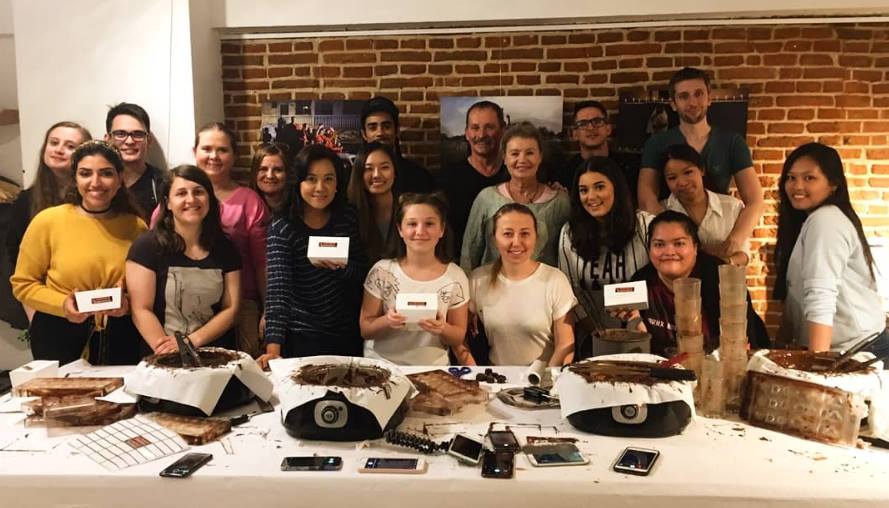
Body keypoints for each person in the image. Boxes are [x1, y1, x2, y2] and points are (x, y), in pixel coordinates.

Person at [11, 141, 146, 365]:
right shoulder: (48, 221)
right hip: (58, 333)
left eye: (106, 174)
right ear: (75, 178)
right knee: (61, 399)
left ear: (120, 179)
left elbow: (148, 288)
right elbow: (23, 284)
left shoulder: (137, 226)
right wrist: (62, 304)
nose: (95, 182)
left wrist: (127, 305)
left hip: (121, 336)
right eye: (85, 173)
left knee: (119, 399)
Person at [637, 67, 763, 263]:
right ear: (673, 103)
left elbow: (755, 200)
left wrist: (732, 243)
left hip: (719, 227)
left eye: (699, 94)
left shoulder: (732, 142)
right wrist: (681, 236)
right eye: (684, 96)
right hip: (675, 243)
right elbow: (646, 201)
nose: (693, 102)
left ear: (709, 97)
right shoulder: (657, 143)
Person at [774, 142, 888, 355]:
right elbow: (796, 296)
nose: (797, 186)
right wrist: (781, 345)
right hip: (850, 347)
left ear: (833, 184)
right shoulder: (812, 221)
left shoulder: (826, 220)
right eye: (791, 178)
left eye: (809, 178)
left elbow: (821, 296)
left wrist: (817, 367)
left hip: (857, 349)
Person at [259, 144, 367, 366]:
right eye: (311, 179)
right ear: (298, 182)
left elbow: (363, 273)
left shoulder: (346, 218)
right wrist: (273, 349)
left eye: (328, 178)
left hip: (346, 332)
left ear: (338, 184)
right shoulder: (282, 226)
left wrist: (342, 268)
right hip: (301, 334)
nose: (320, 187)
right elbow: (278, 291)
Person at [126, 166, 240, 355]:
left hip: (216, 357)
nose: (191, 199)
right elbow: (141, 309)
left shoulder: (225, 249)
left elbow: (231, 308)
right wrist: (167, 351)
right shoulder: (146, 247)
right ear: (168, 203)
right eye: (181, 193)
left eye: (198, 192)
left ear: (209, 199)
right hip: (162, 357)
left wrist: (190, 342)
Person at [631, 211, 769, 356]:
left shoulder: (721, 280)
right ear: (649, 249)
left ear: (695, 248)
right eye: (659, 244)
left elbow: (747, 344)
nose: (669, 251)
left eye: (679, 243)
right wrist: (634, 328)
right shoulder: (641, 282)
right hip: (660, 372)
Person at [360, 192, 471, 366]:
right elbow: (366, 329)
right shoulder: (382, 271)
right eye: (412, 224)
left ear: (441, 229)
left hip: (433, 368)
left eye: (429, 224)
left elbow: (458, 335)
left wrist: (442, 328)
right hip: (382, 366)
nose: (420, 231)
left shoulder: (455, 277)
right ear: (400, 229)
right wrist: (387, 321)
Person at [558, 157, 653, 358]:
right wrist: (600, 333)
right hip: (593, 339)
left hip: (643, 335)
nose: (591, 196)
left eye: (599, 187)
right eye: (584, 190)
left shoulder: (644, 225)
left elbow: (659, 280)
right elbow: (570, 290)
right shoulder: (569, 232)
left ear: (616, 188)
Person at [193, 122, 268, 357]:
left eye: (222, 150)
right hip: (189, 305)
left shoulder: (249, 201)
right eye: (206, 148)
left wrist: (268, 310)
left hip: (241, 304)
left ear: (234, 156)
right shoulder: (178, 195)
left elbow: (262, 263)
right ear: (195, 151)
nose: (214, 156)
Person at [470, 204, 576, 366]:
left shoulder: (555, 280)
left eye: (525, 233)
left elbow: (565, 345)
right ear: (494, 238)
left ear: (536, 237)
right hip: (498, 381)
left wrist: (546, 381)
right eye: (507, 234)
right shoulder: (478, 279)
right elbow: (460, 337)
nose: (516, 242)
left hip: (543, 382)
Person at [461, 121, 570, 270]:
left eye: (530, 153)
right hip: (491, 287)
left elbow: (568, 256)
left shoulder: (561, 202)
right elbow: (469, 252)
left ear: (540, 157)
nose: (522, 160)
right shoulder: (486, 199)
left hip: (543, 289)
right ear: (504, 158)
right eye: (515, 153)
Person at [7, 122, 92, 278]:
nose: (59, 150)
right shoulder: (26, 200)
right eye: (54, 143)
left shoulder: (94, 197)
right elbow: (15, 253)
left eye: (70, 146)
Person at [660, 144, 749, 265]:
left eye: (688, 172)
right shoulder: (661, 211)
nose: (682, 182)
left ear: (702, 170)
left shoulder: (731, 206)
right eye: (672, 178)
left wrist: (722, 264)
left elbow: (744, 255)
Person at [440, 100, 509, 255]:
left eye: (489, 127)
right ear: (466, 132)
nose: (481, 135)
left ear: (503, 129)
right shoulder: (448, 178)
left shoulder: (515, 175)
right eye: (475, 128)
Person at [554, 101, 638, 194]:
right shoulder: (565, 173)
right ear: (575, 134)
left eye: (597, 121)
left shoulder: (629, 167)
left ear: (608, 129)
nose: (591, 128)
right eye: (583, 124)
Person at [361, 96, 435, 194]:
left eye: (386, 126)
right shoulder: (352, 177)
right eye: (372, 128)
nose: (380, 133)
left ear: (397, 131)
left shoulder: (419, 177)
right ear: (364, 134)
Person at [104, 103, 164, 222]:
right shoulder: (96, 183)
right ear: (107, 139)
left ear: (149, 141)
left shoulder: (162, 185)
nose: (130, 141)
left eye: (138, 134)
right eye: (120, 134)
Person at [348, 141, 399, 264]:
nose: (376, 175)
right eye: (368, 169)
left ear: (395, 172)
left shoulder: (409, 210)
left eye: (384, 167)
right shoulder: (350, 216)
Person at [249, 142, 290, 215]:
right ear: (255, 172)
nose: (270, 176)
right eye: (263, 169)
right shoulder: (245, 207)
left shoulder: (299, 210)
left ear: (287, 173)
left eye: (277, 170)